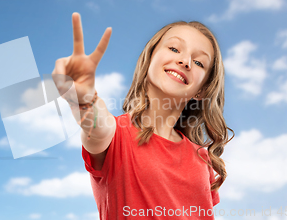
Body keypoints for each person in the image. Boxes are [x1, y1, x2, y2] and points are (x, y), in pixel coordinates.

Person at [52, 12, 234, 219]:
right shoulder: (115, 135)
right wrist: (84, 98)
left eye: (199, 62)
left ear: (203, 90)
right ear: (149, 59)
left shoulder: (202, 159)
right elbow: (96, 126)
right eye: (174, 49)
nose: (185, 61)